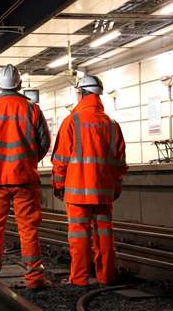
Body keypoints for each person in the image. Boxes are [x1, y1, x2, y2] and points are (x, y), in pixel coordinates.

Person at [0, 64, 51, 290]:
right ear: (19, 85)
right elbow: (44, 142)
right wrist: (29, 161)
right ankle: (35, 278)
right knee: (28, 228)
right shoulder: (32, 109)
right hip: (25, 179)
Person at [51, 75, 128, 287]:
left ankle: (79, 278)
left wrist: (58, 185)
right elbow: (119, 161)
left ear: (82, 93)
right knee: (104, 235)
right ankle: (106, 276)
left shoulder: (71, 121)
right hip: (104, 192)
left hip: (77, 193)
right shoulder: (112, 124)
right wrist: (116, 187)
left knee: (79, 236)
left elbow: (60, 160)